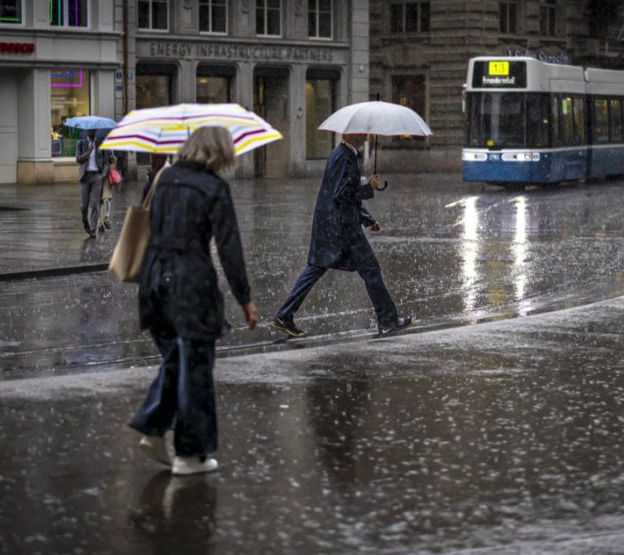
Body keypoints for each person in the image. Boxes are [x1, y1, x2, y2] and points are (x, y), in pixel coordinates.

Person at [128, 127, 259, 477]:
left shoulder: (163, 179)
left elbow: (149, 224)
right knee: (196, 366)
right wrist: (244, 299)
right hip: (191, 285)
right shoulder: (215, 188)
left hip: (153, 281)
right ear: (220, 154)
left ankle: (153, 426)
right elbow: (229, 249)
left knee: (175, 360)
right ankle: (191, 453)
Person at [271, 133, 412, 337]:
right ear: (351, 135)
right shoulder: (343, 157)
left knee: (316, 268)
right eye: (361, 132)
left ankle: (284, 315)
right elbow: (341, 194)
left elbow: (345, 195)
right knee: (370, 270)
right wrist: (368, 188)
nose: (365, 136)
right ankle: (387, 321)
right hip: (342, 228)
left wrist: (367, 218)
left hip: (335, 225)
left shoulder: (347, 155)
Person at [75, 128, 110, 238]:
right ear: (86, 132)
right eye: (90, 131)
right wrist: (88, 152)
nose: (92, 133)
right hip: (85, 177)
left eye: (94, 131)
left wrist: (102, 175)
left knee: (95, 204)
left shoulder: (100, 144)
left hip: (96, 177)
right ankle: (86, 223)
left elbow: (106, 162)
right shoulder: (81, 143)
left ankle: (93, 230)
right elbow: (78, 159)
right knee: (83, 206)